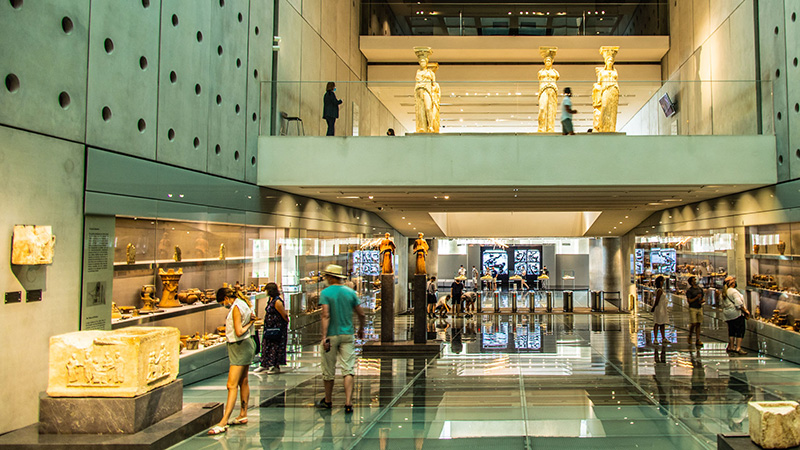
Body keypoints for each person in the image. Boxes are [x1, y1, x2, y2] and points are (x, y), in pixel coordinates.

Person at [208, 287, 258, 435]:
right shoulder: (243, 303)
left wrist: (249, 324)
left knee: (231, 385)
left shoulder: (236, 307)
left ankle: (223, 422)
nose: (223, 305)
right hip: (246, 344)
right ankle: (243, 414)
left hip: (239, 346)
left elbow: (239, 331)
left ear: (225, 299)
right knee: (243, 381)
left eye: (222, 303)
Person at [317, 264, 366, 414]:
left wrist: (324, 337)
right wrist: (361, 329)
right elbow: (361, 314)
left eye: (326, 276)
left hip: (331, 335)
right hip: (347, 334)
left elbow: (326, 315)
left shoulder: (326, 293)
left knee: (328, 369)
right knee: (348, 368)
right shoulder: (350, 292)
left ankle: (328, 400)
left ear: (331, 278)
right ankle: (348, 402)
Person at [254, 283, 288, 374]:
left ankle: (275, 366)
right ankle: (265, 364)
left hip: (276, 328)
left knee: (275, 346)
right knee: (266, 345)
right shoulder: (270, 300)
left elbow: (284, 315)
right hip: (269, 328)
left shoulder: (277, 301)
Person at [721, 276, 750, 355]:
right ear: (732, 283)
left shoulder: (725, 291)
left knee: (732, 330)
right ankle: (738, 348)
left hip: (728, 314)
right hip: (736, 314)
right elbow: (738, 304)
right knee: (740, 330)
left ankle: (731, 346)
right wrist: (746, 311)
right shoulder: (734, 292)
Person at [685, 277, 704, 347]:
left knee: (698, 323)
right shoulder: (690, 291)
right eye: (694, 280)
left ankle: (698, 339)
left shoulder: (700, 289)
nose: (695, 281)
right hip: (693, 308)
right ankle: (690, 335)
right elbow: (689, 301)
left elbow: (702, 297)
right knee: (694, 323)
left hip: (699, 307)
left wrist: (701, 301)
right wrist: (696, 298)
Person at [651, 276, 668, 345]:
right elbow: (657, 300)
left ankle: (663, 337)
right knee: (657, 322)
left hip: (662, 307)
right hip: (659, 308)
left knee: (662, 323)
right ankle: (655, 338)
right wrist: (654, 307)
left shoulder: (661, 290)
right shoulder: (659, 291)